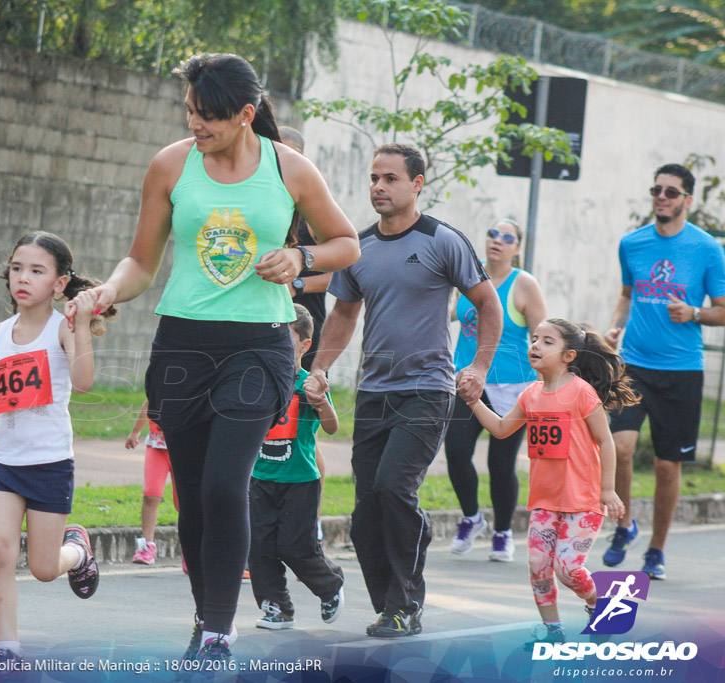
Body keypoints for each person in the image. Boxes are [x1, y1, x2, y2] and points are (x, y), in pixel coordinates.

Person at [66, 53, 359, 664]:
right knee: (194, 495)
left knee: (228, 485)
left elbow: (346, 242)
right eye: (190, 113)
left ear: (246, 115)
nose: (195, 126)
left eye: (208, 118)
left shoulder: (290, 170)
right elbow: (141, 262)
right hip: (182, 345)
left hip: (259, 343)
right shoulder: (171, 165)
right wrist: (106, 291)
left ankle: (221, 628)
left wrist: (301, 262)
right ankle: (207, 614)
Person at [309, 142, 502, 638]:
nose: (378, 186)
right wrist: (320, 369)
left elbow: (486, 302)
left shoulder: (443, 240)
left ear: (417, 184)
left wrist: (479, 365)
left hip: (427, 389)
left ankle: (406, 603)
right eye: (374, 178)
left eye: (390, 178)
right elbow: (345, 313)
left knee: (395, 487)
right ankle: (389, 605)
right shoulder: (357, 246)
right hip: (375, 393)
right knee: (366, 509)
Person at [0, 231, 113, 663]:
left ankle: (76, 552)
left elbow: (84, 382)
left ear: (58, 284)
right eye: (17, 268)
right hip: (5, 462)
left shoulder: (61, 330)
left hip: (50, 464)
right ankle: (7, 648)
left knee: (41, 569)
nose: (23, 278)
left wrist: (80, 327)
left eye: (37, 271)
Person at [459, 318, 636, 644]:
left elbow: (606, 441)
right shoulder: (531, 394)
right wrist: (473, 401)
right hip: (544, 500)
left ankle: (602, 603)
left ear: (569, 355)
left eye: (547, 341)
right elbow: (500, 429)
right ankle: (553, 631)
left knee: (568, 568)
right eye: (534, 339)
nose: (535, 345)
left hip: (583, 500)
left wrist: (608, 490)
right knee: (539, 567)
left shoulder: (581, 393)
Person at [602, 163, 725, 579]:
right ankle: (625, 526)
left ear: (687, 200)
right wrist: (614, 326)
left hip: (682, 370)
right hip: (633, 364)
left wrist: (694, 312)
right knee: (618, 448)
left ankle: (656, 549)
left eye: (671, 192)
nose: (662, 196)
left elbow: (723, 311)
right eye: (657, 189)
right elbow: (626, 294)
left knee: (666, 466)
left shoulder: (707, 249)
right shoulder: (631, 244)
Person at [446, 219, 547, 562]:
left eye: (507, 238)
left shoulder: (524, 284)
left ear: (517, 248)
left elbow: (543, 335)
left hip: (511, 386)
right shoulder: (467, 277)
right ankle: (471, 517)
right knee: (456, 451)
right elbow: (446, 314)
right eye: (492, 234)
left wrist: (547, 381)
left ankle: (503, 532)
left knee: (500, 464)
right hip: (468, 380)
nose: (497, 241)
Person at [248, 304, 345, 630]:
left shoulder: (310, 384)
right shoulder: (257, 379)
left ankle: (330, 585)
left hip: (300, 479)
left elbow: (331, 427)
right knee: (259, 547)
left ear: (304, 346)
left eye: (285, 339)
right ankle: (277, 607)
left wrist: (319, 403)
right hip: (260, 477)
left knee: (296, 547)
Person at [279, 125, 331, 548]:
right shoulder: (258, 206)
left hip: (302, 329)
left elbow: (340, 271)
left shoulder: (315, 214)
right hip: (259, 329)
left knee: (304, 430)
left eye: (294, 155)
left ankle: (309, 522)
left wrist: (295, 283)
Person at [124, 399, 180, 568]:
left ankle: (191, 550)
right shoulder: (160, 378)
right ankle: (146, 547)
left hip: (185, 448)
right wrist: (135, 432)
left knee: (185, 503)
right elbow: (148, 404)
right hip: (157, 446)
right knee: (151, 495)